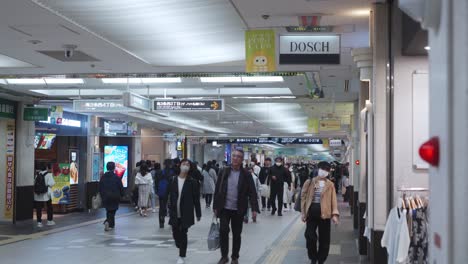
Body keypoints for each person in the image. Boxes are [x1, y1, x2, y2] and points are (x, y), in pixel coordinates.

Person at [213, 149, 259, 264]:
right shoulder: (223, 171)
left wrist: (254, 208)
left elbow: (252, 192)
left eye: (238, 156)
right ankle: (224, 256)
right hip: (224, 208)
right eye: (234, 156)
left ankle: (234, 257)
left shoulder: (246, 174)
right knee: (223, 231)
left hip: (239, 209)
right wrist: (215, 206)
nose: (235, 158)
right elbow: (217, 190)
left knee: (236, 234)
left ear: (242, 159)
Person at [301, 161, 340, 264]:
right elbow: (303, 198)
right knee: (310, 236)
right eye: (323, 169)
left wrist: (335, 215)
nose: (324, 171)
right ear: (318, 169)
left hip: (325, 215)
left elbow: (333, 200)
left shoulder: (330, 184)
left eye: (327, 170)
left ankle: (321, 259)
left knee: (324, 240)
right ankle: (313, 257)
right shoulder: (310, 182)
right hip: (311, 214)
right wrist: (303, 213)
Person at [168, 159, 202, 264]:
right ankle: (179, 244)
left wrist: (198, 213)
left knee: (183, 233)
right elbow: (168, 195)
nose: (185, 166)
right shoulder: (173, 179)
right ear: (180, 166)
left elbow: (196, 199)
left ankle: (181, 255)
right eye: (184, 164)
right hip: (174, 211)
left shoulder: (192, 182)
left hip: (186, 212)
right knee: (175, 233)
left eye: (187, 165)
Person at [99, 162, 124, 231]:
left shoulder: (103, 177)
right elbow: (120, 187)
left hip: (105, 196)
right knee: (113, 210)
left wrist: (102, 195)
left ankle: (110, 223)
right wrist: (122, 194)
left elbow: (100, 187)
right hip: (115, 196)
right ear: (114, 168)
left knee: (108, 210)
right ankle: (109, 223)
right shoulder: (116, 177)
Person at [156, 159, 176, 228]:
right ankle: (171, 221)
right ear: (171, 164)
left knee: (162, 206)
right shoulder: (173, 172)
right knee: (172, 206)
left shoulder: (160, 172)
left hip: (162, 191)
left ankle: (161, 222)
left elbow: (156, 182)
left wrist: (157, 191)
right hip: (172, 191)